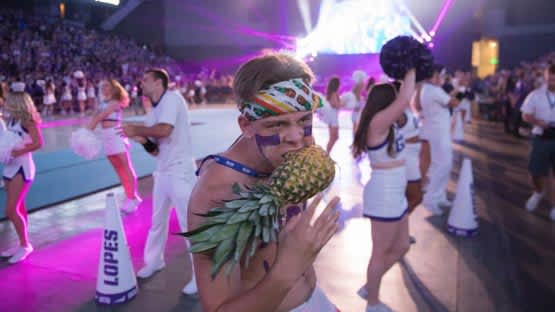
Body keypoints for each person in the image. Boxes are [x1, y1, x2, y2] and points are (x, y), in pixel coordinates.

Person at [188, 53, 341, 311]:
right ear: (246, 126)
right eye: (276, 124)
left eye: (304, 120)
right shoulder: (219, 192)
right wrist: (287, 271)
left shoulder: (295, 153)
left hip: (315, 298)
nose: (296, 137)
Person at [118, 68, 198, 294]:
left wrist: (137, 128)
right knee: (157, 222)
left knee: (189, 225)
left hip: (180, 171)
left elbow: (164, 130)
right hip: (163, 171)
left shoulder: (172, 99)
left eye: (146, 80)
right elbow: (155, 150)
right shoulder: (152, 111)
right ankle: (154, 261)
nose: (141, 83)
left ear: (159, 82)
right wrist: (142, 140)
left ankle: (200, 274)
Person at [352, 70, 415, 312]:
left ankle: (370, 286)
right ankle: (372, 303)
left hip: (395, 192)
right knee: (380, 252)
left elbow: (404, 99)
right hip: (384, 193)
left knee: (401, 247)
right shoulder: (377, 123)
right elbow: (404, 99)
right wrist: (411, 69)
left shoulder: (387, 123)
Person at [0, 82, 43, 263]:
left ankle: (26, 245)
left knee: (10, 210)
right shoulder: (11, 120)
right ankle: (21, 243)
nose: (6, 103)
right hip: (10, 166)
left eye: (10, 101)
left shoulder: (28, 120)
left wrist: (19, 151)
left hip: (22, 167)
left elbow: (39, 143)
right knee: (17, 208)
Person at [87, 79, 142, 213]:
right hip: (106, 136)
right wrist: (87, 130)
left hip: (116, 135)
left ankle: (132, 197)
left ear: (113, 88)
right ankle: (129, 196)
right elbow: (95, 117)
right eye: (103, 86)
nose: (104, 88)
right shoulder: (102, 103)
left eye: (107, 86)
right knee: (118, 169)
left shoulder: (116, 102)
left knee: (126, 166)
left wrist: (87, 130)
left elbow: (101, 116)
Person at [419, 65, 461, 215]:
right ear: (433, 76)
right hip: (438, 132)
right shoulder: (434, 90)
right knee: (443, 164)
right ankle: (431, 199)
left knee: (442, 164)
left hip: (435, 131)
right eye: (439, 75)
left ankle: (440, 196)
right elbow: (454, 103)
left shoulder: (427, 89)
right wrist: (458, 91)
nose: (441, 78)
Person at [521, 64, 555, 221]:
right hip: (541, 137)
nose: (552, 80)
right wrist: (538, 122)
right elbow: (525, 115)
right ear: (546, 77)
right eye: (550, 77)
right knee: (535, 172)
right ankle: (538, 192)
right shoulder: (536, 95)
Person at [341, 70, 368, 135]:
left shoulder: (361, 95)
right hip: (356, 115)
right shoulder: (352, 93)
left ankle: (356, 142)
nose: (364, 85)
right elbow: (343, 105)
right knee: (356, 130)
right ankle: (355, 143)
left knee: (358, 130)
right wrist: (355, 107)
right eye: (363, 84)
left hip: (359, 115)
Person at [324, 76, 341, 153]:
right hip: (333, 117)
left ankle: (327, 154)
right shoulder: (334, 93)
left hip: (332, 116)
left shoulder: (332, 93)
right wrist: (343, 104)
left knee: (333, 137)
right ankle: (326, 154)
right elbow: (335, 105)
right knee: (334, 137)